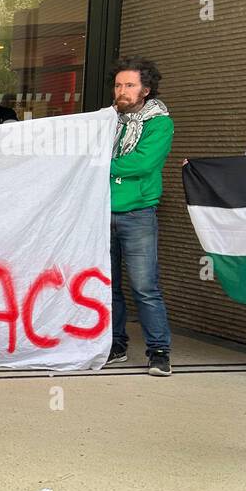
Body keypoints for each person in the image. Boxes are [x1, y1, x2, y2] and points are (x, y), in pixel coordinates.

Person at [108, 56, 173, 376]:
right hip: (100, 211)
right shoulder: (106, 120)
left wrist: (98, 166)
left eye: (129, 85)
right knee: (108, 284)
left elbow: (143, 164)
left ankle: (159, 351)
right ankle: (115, 344)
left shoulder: (159, 122)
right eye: (118, 85)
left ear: (145, 90)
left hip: (137, 214)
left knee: (145, 285)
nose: (122, 90)